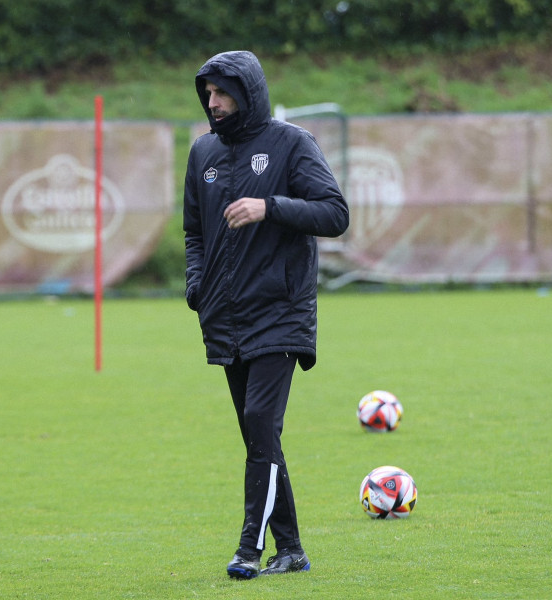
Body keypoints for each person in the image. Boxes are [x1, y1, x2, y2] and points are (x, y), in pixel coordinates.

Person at [183, 50, 349, 580]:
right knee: (260, 437)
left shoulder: (291, 143)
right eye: (207, 93)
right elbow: (194, 233)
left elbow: (335, 213)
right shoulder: (202, 152)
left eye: (222, 92)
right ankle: (293, 550)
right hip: (225, 315)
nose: (213, 102)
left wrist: (269, 205)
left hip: (280, 311)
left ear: (248, 92)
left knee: (259, 423)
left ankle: (249, 550)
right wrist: (196, 287)